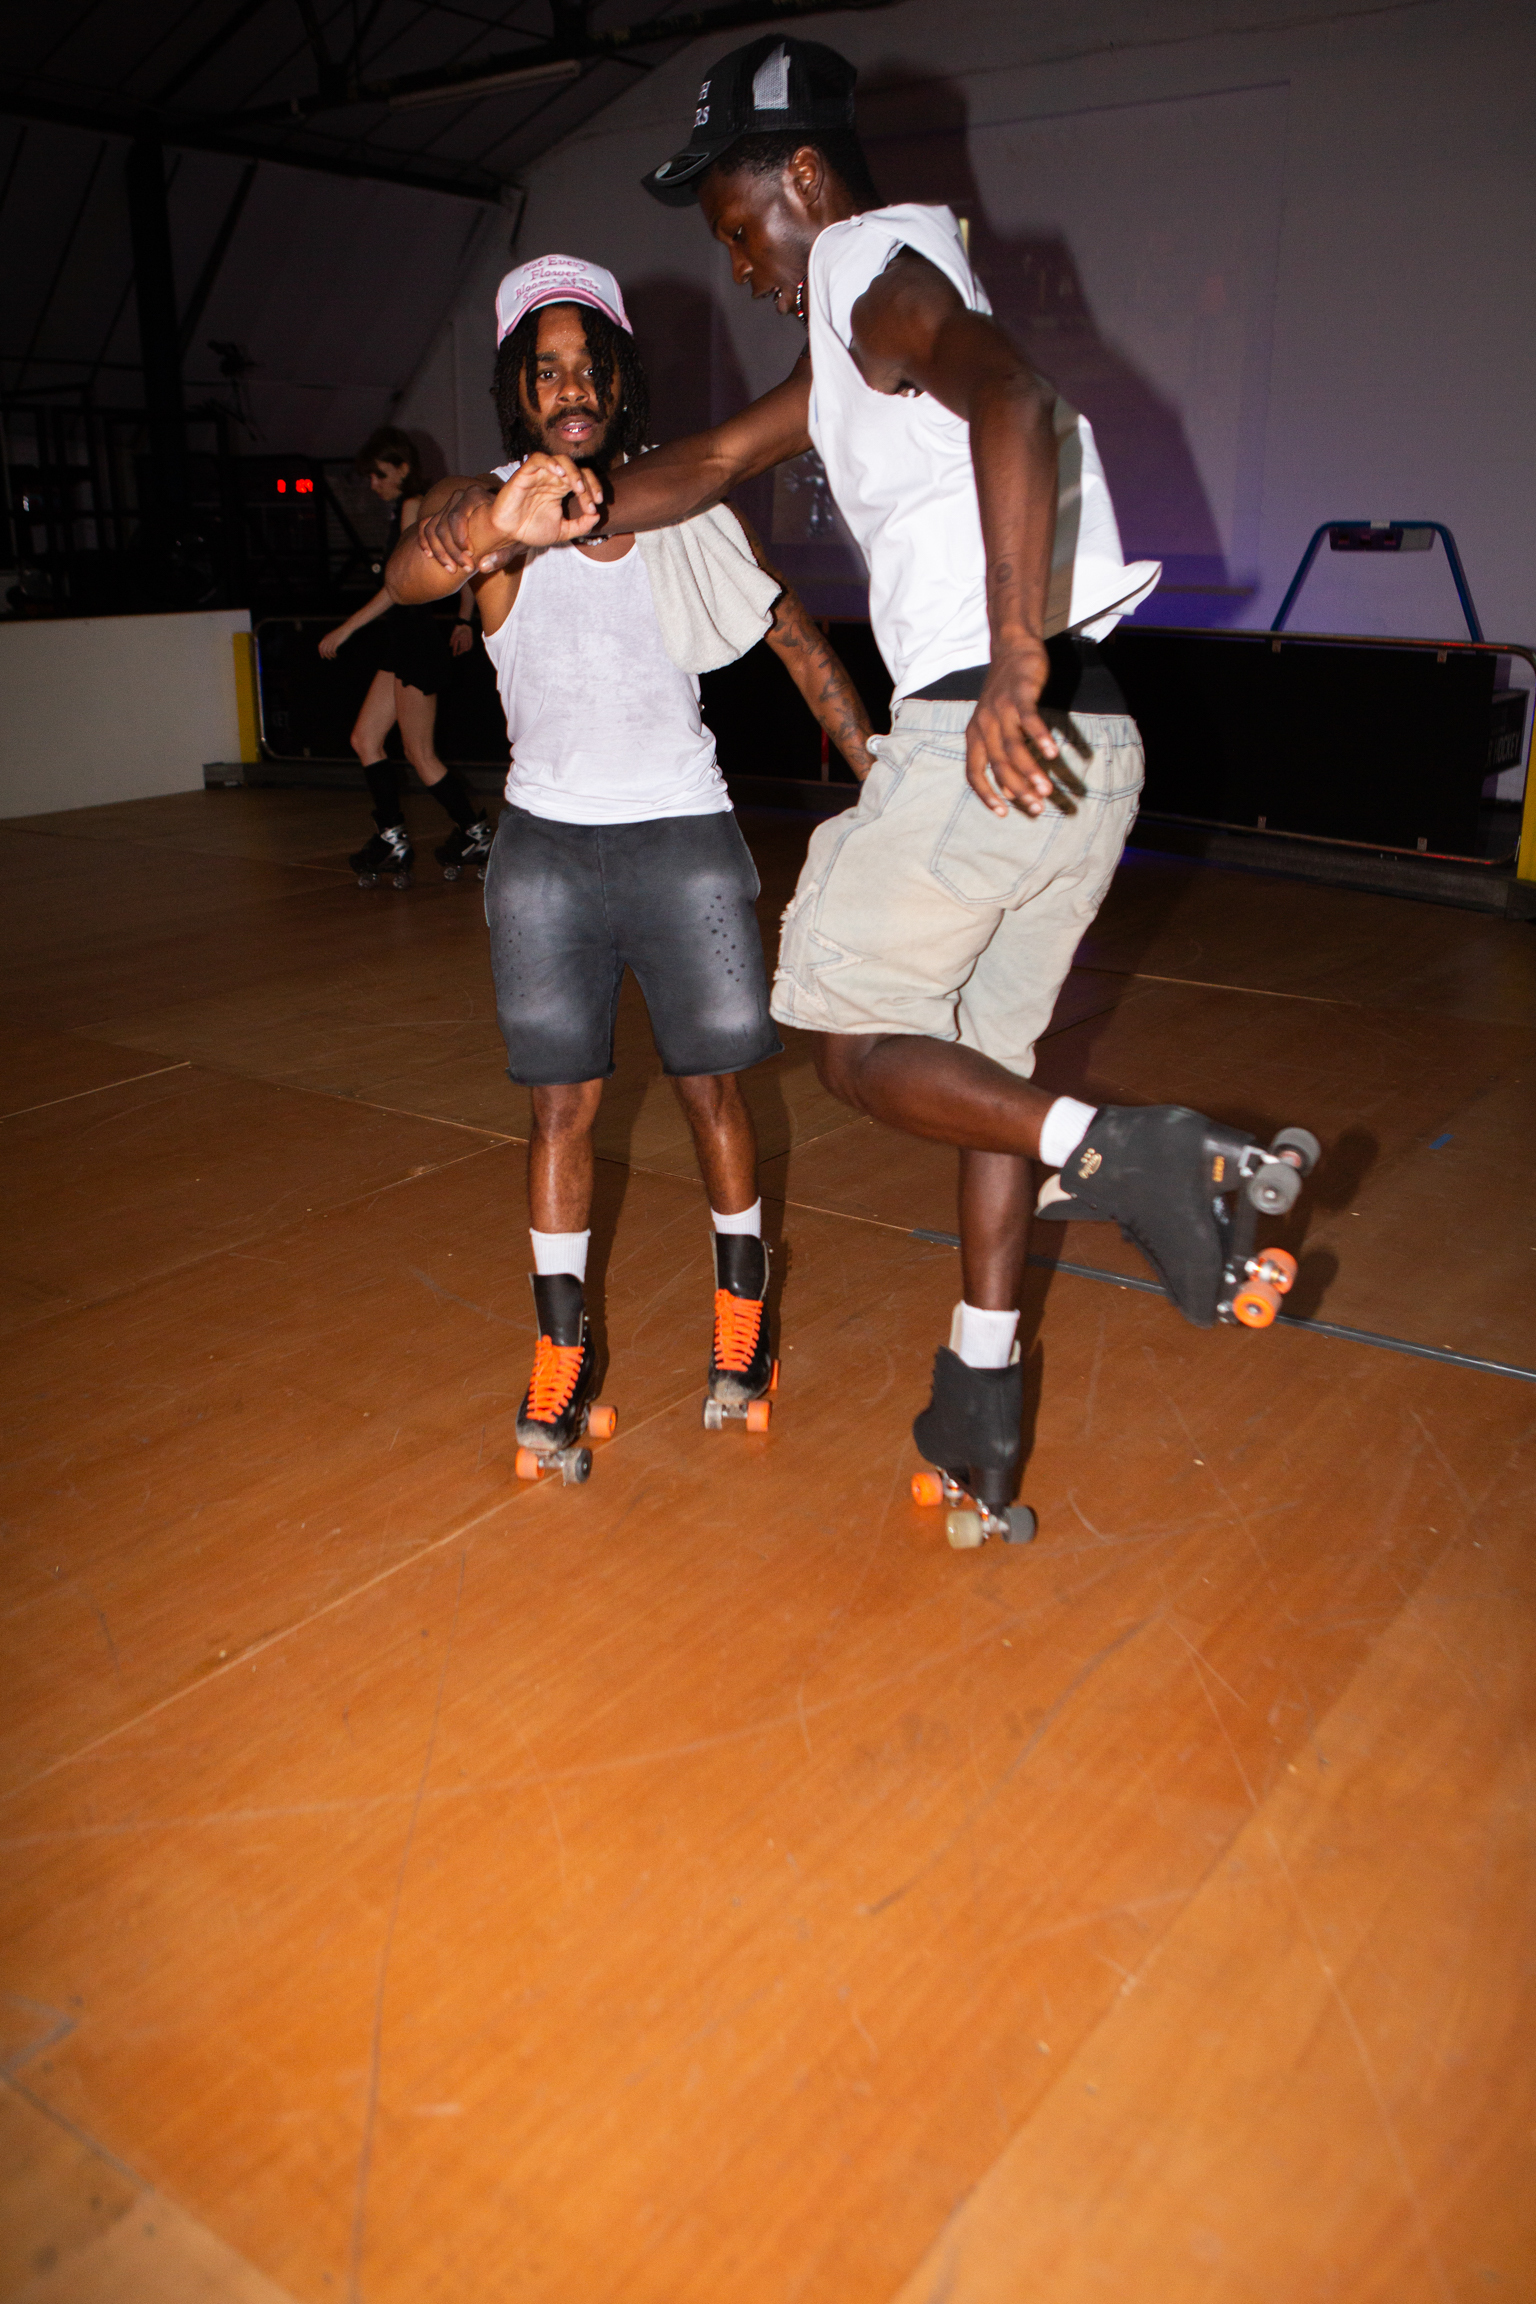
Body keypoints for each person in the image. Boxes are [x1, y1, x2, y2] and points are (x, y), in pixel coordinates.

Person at [399, 44, 1316, 1536]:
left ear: (804, 180)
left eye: (742, 228)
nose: (751, 265)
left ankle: (1138, 1156)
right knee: (989, 1099)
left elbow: (1014, 399)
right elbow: (702, 461)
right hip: (1095, 750)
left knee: (835, 1031)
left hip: (992, 720)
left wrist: (1010, 651)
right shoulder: (859, 329)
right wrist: (555, 507)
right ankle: (981, 1414)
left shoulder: (866, 262)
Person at [387, 254, 875, 1466]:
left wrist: (884, 771)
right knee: (562, 1111)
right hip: (547, 854)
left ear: (618, 379)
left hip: (683, 842)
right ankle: (561, 1356)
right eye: (545, 369)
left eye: (587, 363)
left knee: (715, 1092)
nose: (570, 386)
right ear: (519, 388)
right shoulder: (486, 515)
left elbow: (795, 637)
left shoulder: (678, 510)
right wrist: (495, 522)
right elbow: (415, 569)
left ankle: (743, 1320)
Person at [319, 426, 491, 885]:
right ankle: (393, 835)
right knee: (364, 739)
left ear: (402, 468)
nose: (373, 483)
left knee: (419, 753)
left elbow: (398, 588)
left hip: (413, 646)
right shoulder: (404, 509)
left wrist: (347, 628)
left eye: (379, 474)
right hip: (403, 646)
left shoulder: (415, 507)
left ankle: (475, 834)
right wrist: (462, 618)